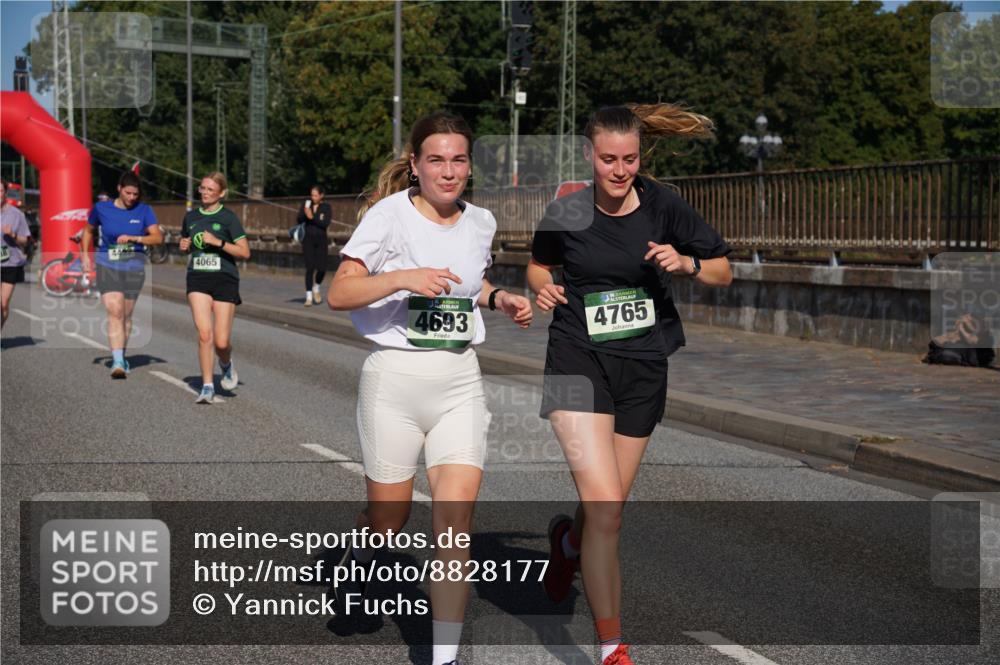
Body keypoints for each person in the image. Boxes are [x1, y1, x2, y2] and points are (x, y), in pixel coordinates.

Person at [527, 103, 733, 665]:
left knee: (607, 505)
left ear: (641, 157)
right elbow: (539, 265)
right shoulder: (567, 210)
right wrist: (543, 289)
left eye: (629, 159)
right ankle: (612, 645)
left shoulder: (664, 205)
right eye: (608, 159)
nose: (619, 170)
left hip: (643, 364)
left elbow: (721, 269)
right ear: (590, 156)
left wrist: (685, 264)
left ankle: (569, 543)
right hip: (575, 357)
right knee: (607, 508)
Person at [327, 111, 532, 665]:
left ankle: (441, 658)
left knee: (454, 520)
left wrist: (499, 298)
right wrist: (402, 277)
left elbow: (468, 282)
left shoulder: (481, 222)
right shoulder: (387, 217)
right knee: (388, 522)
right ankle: (360, 557)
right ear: (414, 165)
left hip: (459, 380)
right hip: (394, 378)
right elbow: (339, 293)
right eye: (436, 160)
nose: (449, 171)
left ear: (470, 165)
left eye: (458, 160)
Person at [178, 172, 251, 403]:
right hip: (198, 278)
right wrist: (184, 245)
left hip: (224, 279)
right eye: (203, 188)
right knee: (204, 334)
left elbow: (245, 252)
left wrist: (218, 242)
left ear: (221, 193)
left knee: (221, 342)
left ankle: (226, 363)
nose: (206, 193)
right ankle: (207, 386)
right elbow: (188, 244)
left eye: (211, 189)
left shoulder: (228, 218)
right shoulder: (190, 218)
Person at [80, 171, 162, 377]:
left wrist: (136, 238)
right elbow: (88, 231)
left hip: (134, 267)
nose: (132, 198)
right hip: (108, 264)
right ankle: (117, 362)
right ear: (119, 189)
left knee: (126, 315)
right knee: (115, 311)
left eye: (135, 194)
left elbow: (157, 237)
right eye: (128, 193)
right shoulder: (101, 208)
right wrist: (85, 256)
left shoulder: (144, 210)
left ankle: (121, 354)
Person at [1, 179, 32, 329]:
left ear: (5, 193)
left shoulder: (17, 214)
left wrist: (13, 235)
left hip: (10, 263)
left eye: (0, 191)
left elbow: (25, 241)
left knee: (3, 304)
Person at [298, 184, 332, 306]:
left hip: (321, 240)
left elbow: (325, 223)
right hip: (308, 240)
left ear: (321, 195)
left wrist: (312, 217)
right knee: (310, 268)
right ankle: (308, 296)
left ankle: (316, 287)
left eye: (315, 195)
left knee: (322, 268)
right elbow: (299, 219)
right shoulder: (307, 204)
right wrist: (304, 213)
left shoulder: (326, 207)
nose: (313, 197)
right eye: (311, 195)